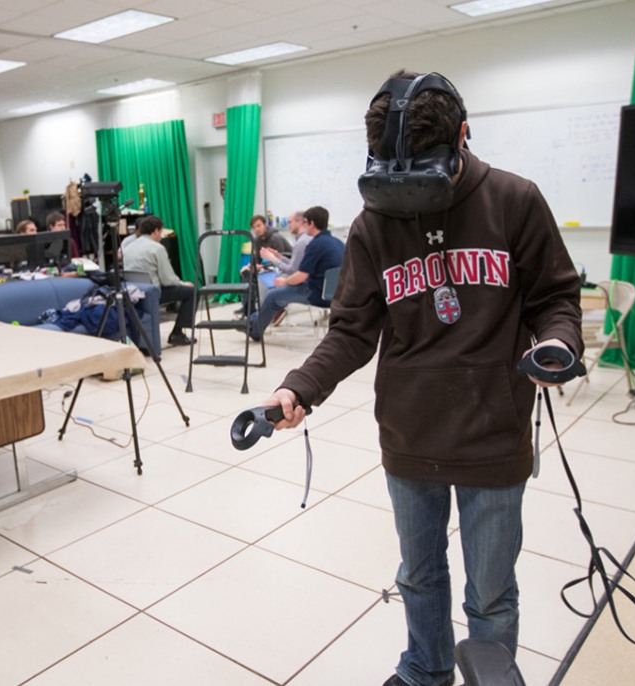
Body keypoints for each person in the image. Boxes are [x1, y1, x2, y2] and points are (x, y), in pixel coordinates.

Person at [259, 71, 582, 686]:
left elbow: (555, 297)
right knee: (419, 574)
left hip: (493, 432)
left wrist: (558, 341)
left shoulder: (515, 200)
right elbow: (351, 331)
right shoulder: (373, 222)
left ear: (463, 136)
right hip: (409, 432)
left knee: (491, 593)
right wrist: (298, 386)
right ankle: (426, 670)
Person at [247, 205, 343, 340]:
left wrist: (284, 281)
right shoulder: (338, 243)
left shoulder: (315, 244)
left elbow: (300, 275)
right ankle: (252, 321)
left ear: (311, 224)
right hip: (335, 295)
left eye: (305, 222)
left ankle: (254, 330)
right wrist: (280, 258)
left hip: (315, 293)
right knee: (276, 295)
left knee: (272, 296)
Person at [122, 215, 197, 347]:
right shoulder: (157, 248)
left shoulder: (128, 248)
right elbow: (167, 279)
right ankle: (177, 334)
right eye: (161, 232)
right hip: (152, 293)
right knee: (192, 291)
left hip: (133, 292)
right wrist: (182, 283)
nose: (161, 236)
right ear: (156, 231)